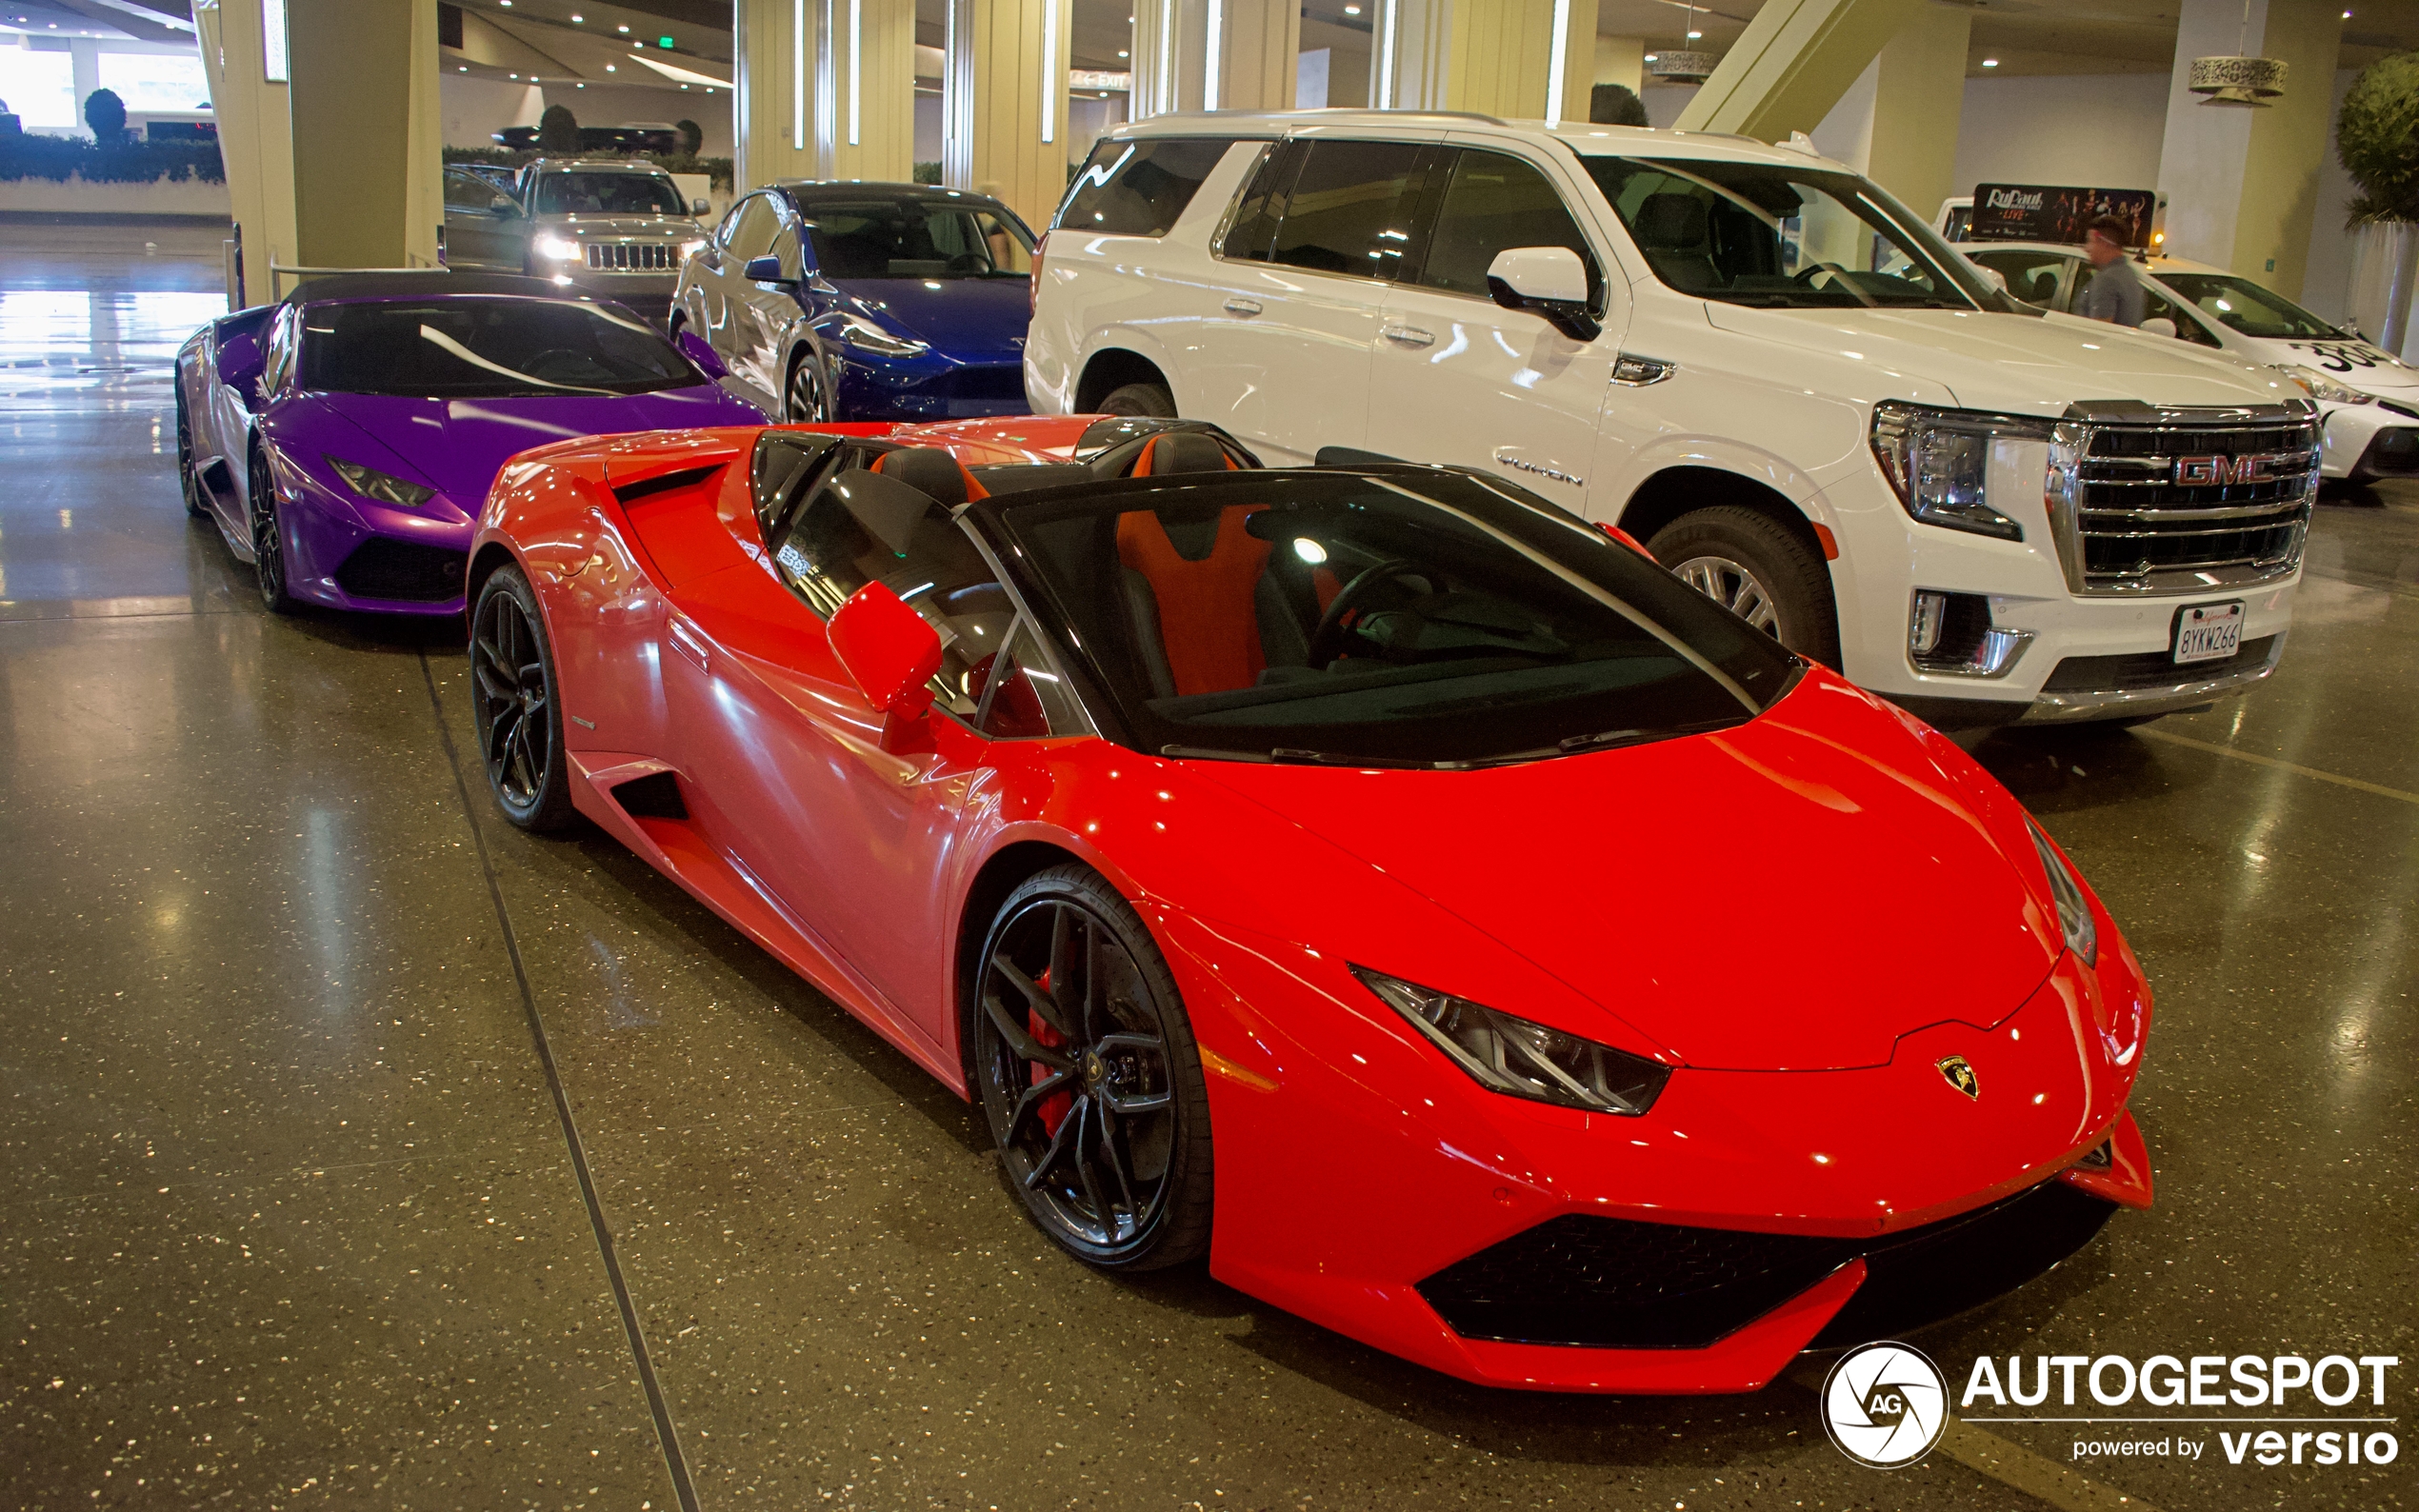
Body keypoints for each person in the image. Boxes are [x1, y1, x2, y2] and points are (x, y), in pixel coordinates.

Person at [2076, 213, 2146, 328]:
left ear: (2103, 243)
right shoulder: (2129, 275)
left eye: (2090, 241)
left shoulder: (2106, 280)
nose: (2086, 248)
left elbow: (2100, 330)